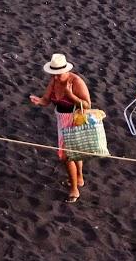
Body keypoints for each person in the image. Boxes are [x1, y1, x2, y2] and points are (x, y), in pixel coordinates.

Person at [29, 53, 92, 202]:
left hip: (75, 119)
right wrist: (39, 101)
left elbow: (88, 105)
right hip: (61, 120)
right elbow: (46, 99)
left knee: (66, 156)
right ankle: (79, 178)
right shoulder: (54, 81)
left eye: (58, 74)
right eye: (53, 74)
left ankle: (74, 189)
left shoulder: (76, 82)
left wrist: (71, 96)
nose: (55, 77)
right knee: (73, 152)